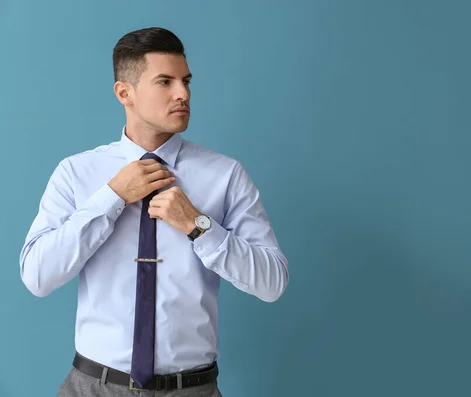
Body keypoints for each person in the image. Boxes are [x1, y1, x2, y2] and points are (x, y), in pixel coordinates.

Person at [19, 27, 289, 397]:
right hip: (93, 388)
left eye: (186, 81)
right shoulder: (76, 173)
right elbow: (38, 277)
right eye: (165, 81)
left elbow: (272, 283)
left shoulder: (225, 175)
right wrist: (111, 198)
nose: (183, 93)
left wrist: (199, 226)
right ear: (124, 93)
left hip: (192, 390)